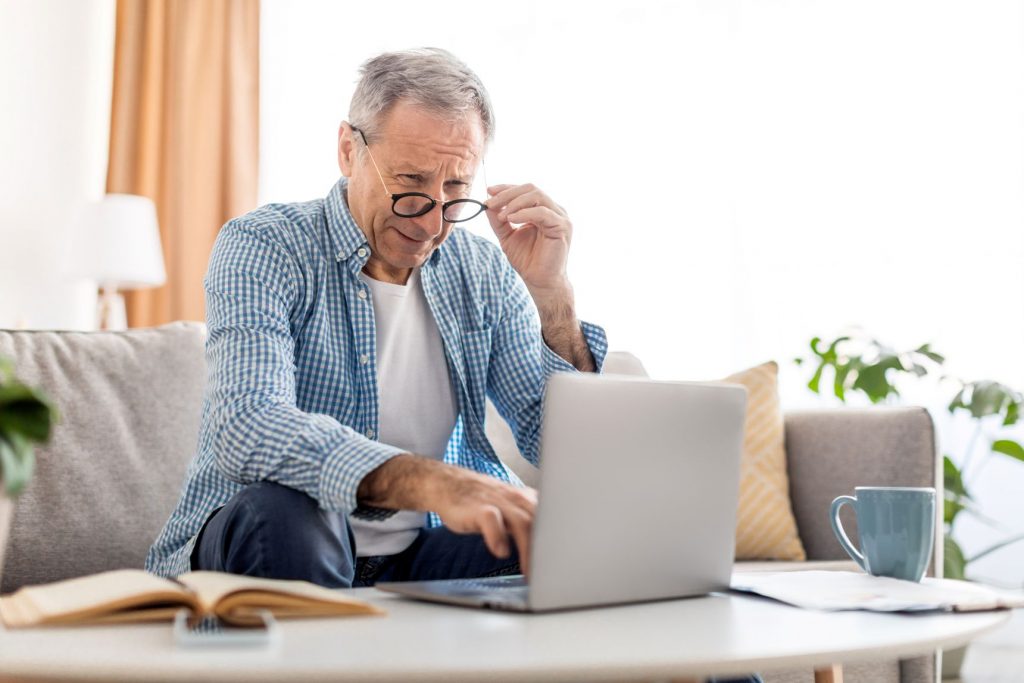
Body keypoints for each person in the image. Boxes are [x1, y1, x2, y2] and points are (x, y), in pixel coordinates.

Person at [146, 47, 607, 587]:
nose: (433, 222)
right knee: (292, 515)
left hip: (413, 557)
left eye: (456, 190)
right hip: (276, 538)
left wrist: (552, 297)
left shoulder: (482, 270)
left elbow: (562, 446)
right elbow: (247, 426)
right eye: (411, 183)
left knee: (567, 535)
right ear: (348, 151)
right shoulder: (265, 245)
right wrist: (433, 482)